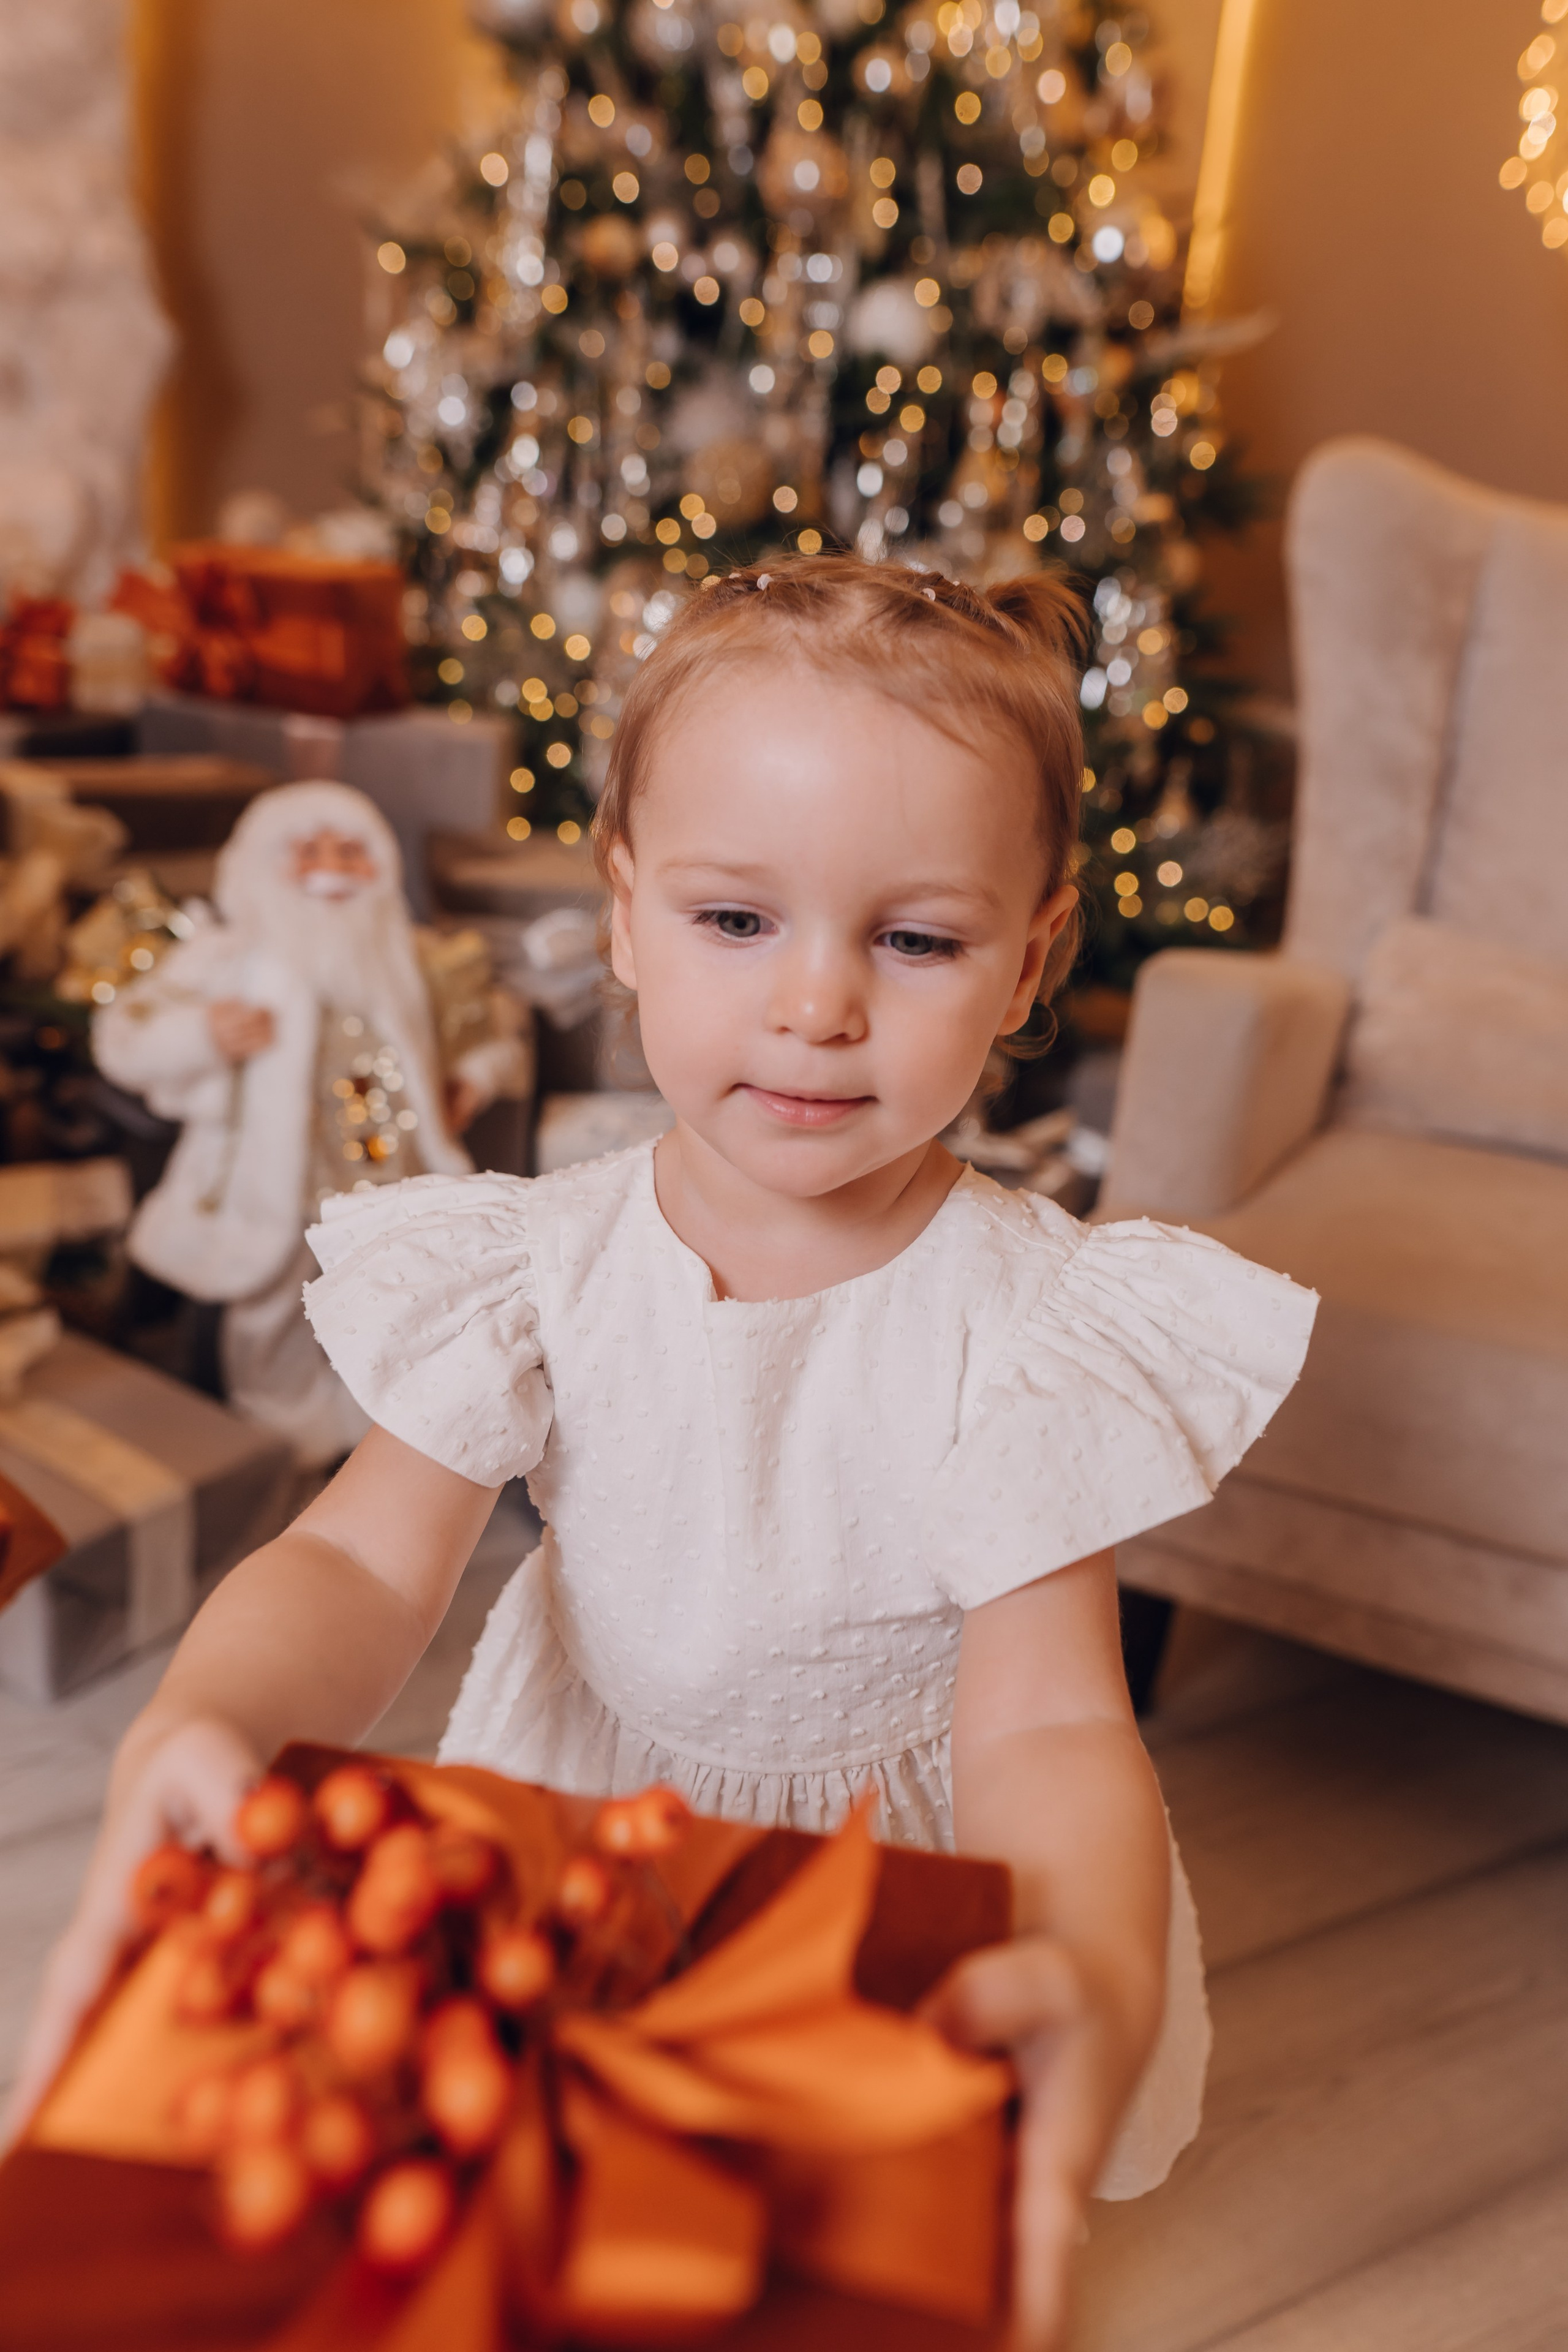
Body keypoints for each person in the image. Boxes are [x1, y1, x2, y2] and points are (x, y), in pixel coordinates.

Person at [15, 561, 1316, 2345]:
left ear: (1027, 957)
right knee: (539, 2241)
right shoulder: (539, 1262)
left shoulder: (1027, 1322)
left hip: (886, 1877)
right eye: (733, 920)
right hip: (587, 1831)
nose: (815, 1004)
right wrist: (210, 1714)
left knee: (815, 2280)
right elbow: (356, 1557)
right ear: (621, 910)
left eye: (914, 938)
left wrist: (1086, 1961)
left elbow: (1049, 1716)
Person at [92, 780, 530, 1466]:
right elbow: (125, 1033)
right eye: (308, 851)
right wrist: (203, 1033)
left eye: (351, 851)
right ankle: (284, 1436)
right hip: (272, 1187)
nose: (330, 866)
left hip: (392, 1179)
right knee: (272, 1315)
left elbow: (494, 1031)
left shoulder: (410, 960)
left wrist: (472, 1078)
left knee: (393, 1310)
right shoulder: (225, 958)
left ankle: (371, 1444)